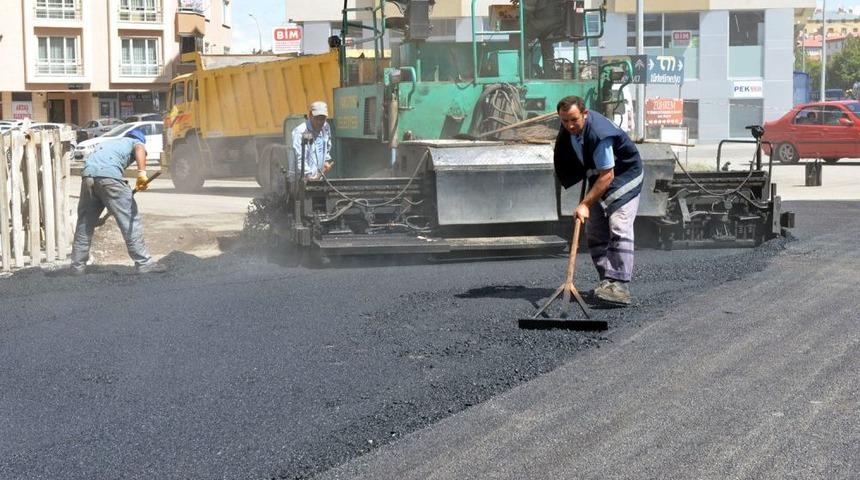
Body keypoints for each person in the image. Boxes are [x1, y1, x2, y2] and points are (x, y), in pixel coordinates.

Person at [553, 95, 643, 305]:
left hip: (624, 175)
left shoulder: (598, 133)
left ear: (585, 114)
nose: (569, 125)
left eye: (574, 119)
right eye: (564, 121)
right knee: (594, 229)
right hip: (599, 176)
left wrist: (584, 204)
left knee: (619, 225)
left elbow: (608, 175)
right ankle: (607, 281)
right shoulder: (571, 128)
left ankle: (619, 284)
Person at [69, 128, 166, 275]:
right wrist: (142, 174)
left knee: (85, 223)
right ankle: (144, 263)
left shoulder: (111, 143)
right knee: (130, 220)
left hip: (88, 177)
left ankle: (77, 267)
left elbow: (99, 174)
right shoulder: (135, 142)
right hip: (109, 177)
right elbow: (139, 148)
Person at [289, 101, 334, 180]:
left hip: (317, 178)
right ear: (310, 115)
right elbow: (298, 158)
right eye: (317, 118)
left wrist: (326, 160)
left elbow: (327, 146)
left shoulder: (326, 127)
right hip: (300, 180)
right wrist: (309, 176)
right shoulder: (301, 132)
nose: (320, 122)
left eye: (322, 119)